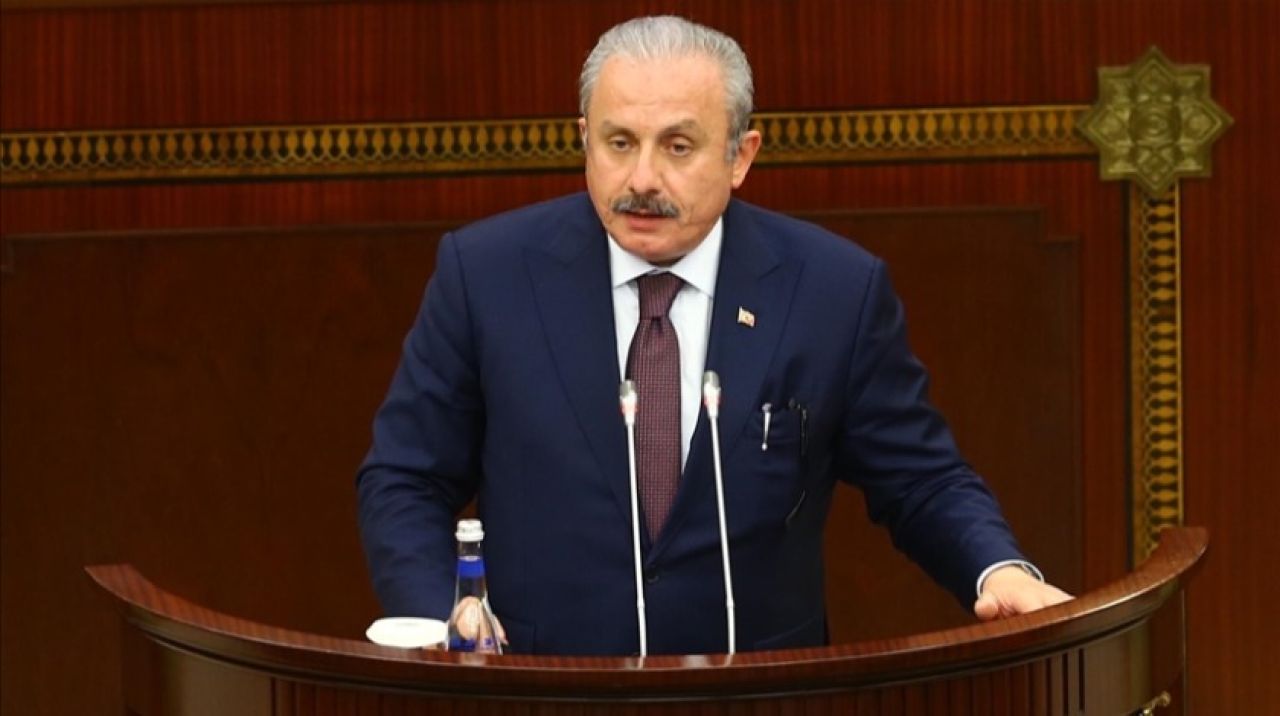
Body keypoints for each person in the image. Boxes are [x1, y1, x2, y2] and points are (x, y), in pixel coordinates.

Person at [356, 15, 1070, 656]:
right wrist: (445, 622)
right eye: (618, 143)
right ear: (583, 140)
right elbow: (405, 478)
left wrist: (997, 569)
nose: (642, 178)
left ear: (740, 155)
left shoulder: (833, 290)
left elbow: (919, 479)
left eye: (677, 146)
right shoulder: (487, 275)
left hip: (758, 690)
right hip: (542, 688)